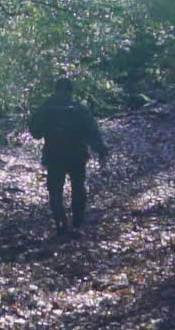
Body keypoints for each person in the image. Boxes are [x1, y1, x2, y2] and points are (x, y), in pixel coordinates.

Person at [28, 77, 109, 234]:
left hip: (54, 155)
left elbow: (35, 132)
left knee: (55, 190)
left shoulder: (46, 107)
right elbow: (92, 132)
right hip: (77, 155)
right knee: (78, 187)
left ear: (55, 90)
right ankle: (77, 223)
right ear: (71, 91)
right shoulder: (80, 108)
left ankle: (60, 221)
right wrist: (101, 150)